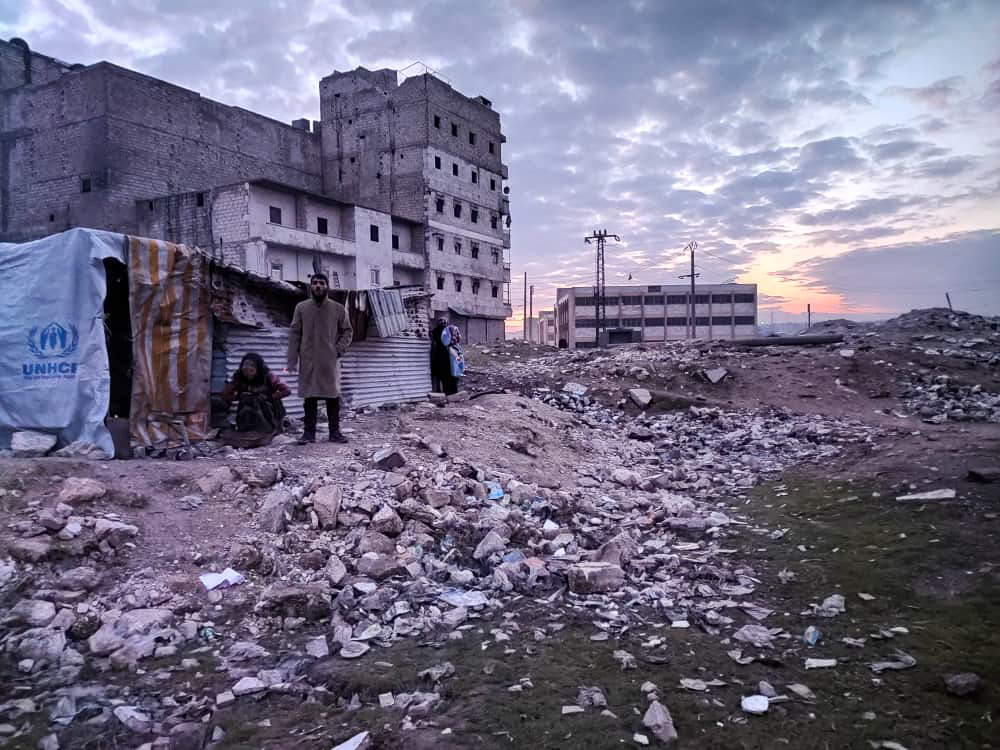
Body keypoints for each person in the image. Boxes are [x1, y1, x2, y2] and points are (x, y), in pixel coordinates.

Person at [286, 273, 353, 443]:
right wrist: (292, 360)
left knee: (332, 397)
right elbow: (295, 333)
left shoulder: (338, 308)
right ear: (310, 286)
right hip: (308, 359)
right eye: (315, 283)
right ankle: (309, 434)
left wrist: (338, 350)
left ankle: (334, 433)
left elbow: (347, 331)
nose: (318, 286)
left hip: (329, 360)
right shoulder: (301, 308)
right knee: (310, 398)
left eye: (321, 283)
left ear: (327, 286)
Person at [218, 352, 291, 435]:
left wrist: (270, 397)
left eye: (252, 365)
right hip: (248, 411)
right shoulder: (239, 378)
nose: (247, 368)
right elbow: (224, 395)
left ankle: (269, 429)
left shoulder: (268, 376)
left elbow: (287, 390)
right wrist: (239, 397)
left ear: (258, 367)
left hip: (269, 409)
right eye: (245, 365)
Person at [430, 317, 464, 395]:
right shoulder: (449, 330)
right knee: (450, 375)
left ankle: (447, 392)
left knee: (444, 376)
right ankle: (452, 392)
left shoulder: (435, 331)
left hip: (441, 356)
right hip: (446, 356)